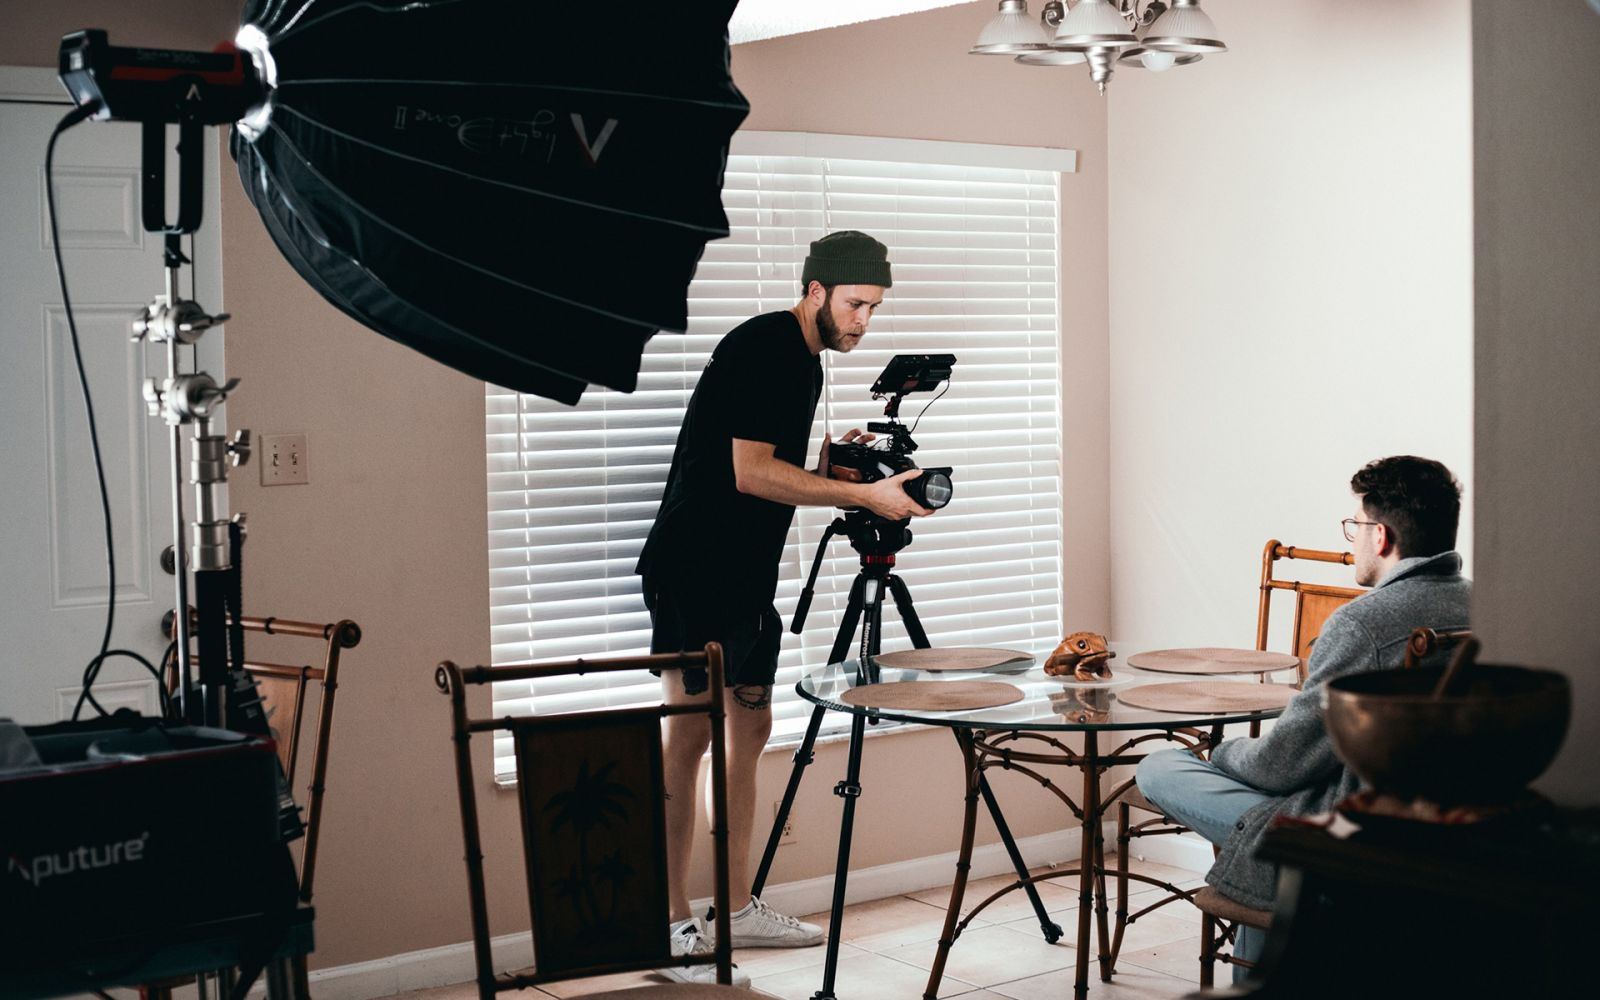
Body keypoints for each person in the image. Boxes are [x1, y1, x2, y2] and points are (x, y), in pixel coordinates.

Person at [635, 231, 935, 985]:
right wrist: (863, 496)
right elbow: (749, 474)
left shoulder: (801, 358)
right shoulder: (768, 347)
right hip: (695, 570)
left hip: (744, 577)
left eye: (875, 307)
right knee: (687, 739)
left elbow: (767, 462)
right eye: (856, 304)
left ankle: (734, 906)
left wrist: (836, 468)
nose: (865, 321)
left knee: (750, 728)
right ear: (815, 290)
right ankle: (667, 924)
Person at [1135, 455, 1470, 981]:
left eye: (1356, 526)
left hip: (1347, 827)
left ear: (1381, 536)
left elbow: (1281, 765)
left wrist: (1219, 752)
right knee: (1268, 838)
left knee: (1159, 766)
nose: (1353, 541)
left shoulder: (1364, 623)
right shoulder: (1485, 605)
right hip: (1440, 819)